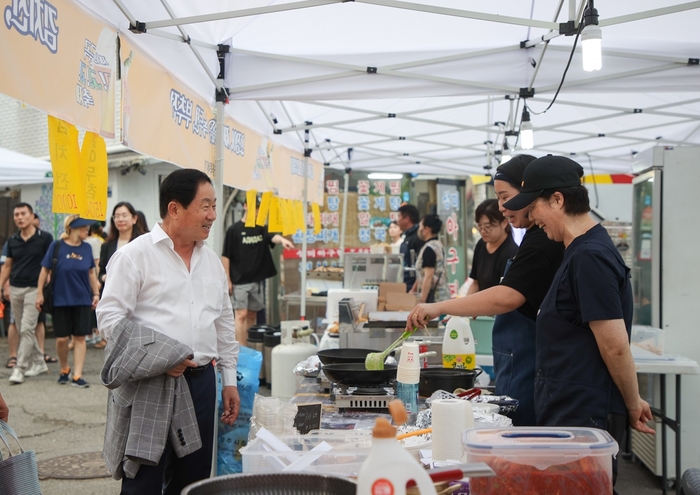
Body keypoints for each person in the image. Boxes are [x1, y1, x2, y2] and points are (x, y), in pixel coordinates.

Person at [502, 155, 654, 484]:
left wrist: (631, 402)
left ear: (557, 199)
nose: (530, 218)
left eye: (534, 207)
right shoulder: (575, 251)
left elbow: (614, 345)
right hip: (569, 411)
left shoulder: (590, 257)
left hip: (586, 414)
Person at [97, 168, 240, 494]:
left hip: (202, 383)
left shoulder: (212, 263)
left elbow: (224, 324)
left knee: (194, 480)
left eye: (214, 206)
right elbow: (108, 317)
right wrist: (161, 357)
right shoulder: (135, 256)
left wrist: (228, 381)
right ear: (175, 208)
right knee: (144, 483)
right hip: (151, 384)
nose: (213, 215)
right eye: (205, 206)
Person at [406, 155, 565, 426]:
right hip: (515, 361)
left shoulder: (542, 242)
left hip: (532, 364)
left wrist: (439, 306)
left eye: (506, 197)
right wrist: (466, 307)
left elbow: (506, 296)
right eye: (499, 199)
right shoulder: (530, 238)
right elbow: (483, 286)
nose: (503, 207)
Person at [36, 215, 100, 388]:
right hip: (60, 299)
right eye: (83, 227)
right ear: (72, 228)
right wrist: (39, 293)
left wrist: (96, 294)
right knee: (62, 339)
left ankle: (77, 375)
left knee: (80, 338)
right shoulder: (56, 246)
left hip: (82, 300)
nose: (87, 230)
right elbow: (44, 270)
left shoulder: (87, 248)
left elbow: (91, 273)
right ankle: (65, 369)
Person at [221, 199, 294, 346]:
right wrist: (227, 279)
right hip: (239, 281)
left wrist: (283, 240)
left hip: (257, 281)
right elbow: (225, 256)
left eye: (259, 209)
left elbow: (273, 236)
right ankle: (240, 350)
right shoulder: (234, 230)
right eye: (255, 208)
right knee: (240, 314)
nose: (257, 212)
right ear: (246, 206)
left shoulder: (261, 228)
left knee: (252, 315)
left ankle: (248, 346)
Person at [0, 203, 53, 384]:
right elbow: (7, 265)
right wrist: (1, 286)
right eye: (16, 215)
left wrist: (44, 289)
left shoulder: (45, 238)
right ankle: (39, 362)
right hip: (15, 289)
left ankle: (19, 368)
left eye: (23, 214)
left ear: (32, 216)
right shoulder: (12, 239)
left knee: (27, 328)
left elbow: (49, 266)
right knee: (25, 330)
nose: (19, 217)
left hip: (34, 289)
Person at [467, 198, 518, 295]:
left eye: (488, 227)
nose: (482, 231)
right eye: (480, 226)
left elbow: (505, 294)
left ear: (504, 223)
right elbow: (476, 283)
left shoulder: (511, 253)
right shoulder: (481, 244)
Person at [98, 202, 143, 288]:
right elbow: (101, 273)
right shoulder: (107, 245)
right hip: (113, 290)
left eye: (124, 215)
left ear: (134, 219)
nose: (120, 219)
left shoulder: (142, 243)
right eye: (117, 216)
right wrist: (106, 278)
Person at [412, 214, 450, 303]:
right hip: (443, 297)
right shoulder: (438, 245)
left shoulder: (429, 249)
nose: (419, 229)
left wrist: (422, 300)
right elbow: (422, 274)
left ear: (427, 229)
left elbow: (428, 276)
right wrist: (413, 290)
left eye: (420, 226)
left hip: (435, 299)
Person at [85, 222, 105, 347]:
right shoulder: (100, 240)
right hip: (86, 278)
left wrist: (96, 280)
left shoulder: (94, 241)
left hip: (91, 279)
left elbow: (97, 262)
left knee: (93, 307)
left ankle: (95, 334)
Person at [397, 204, 425, 292]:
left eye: (399, 216)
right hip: (406, 284)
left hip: (413, 287)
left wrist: (414, 289)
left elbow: (422, 266)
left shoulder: (418, 237)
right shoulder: (407, 236)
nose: (398, 220)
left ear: (407, 219)